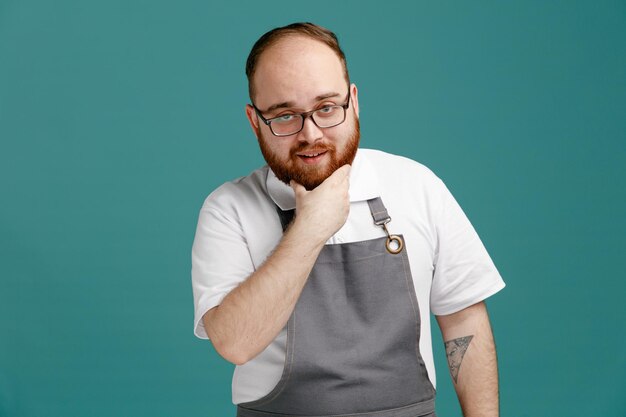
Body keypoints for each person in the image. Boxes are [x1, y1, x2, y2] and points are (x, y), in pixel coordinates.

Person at [191, 22, 505, 417]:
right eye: (285, 115)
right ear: (255, 122)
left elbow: (463, 320)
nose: (310, 134)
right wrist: (311, 226)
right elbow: (235, 343)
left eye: (326, 108)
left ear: (353, 102)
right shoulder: (228, 210)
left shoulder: (417, 185)